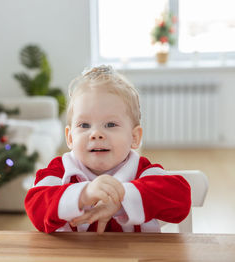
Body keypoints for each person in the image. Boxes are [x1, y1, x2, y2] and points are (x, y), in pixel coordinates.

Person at [24, 65, 191, 234]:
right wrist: (83, 195)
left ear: (134, 137)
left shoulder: (141, 170)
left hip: (134, 259)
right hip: (73, 259)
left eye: (110, 124)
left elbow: (181, 197)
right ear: (70, 138)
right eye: (84, 125)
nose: (96, 134)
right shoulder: (60, 170)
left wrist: (120, 199)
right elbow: (35, 206)